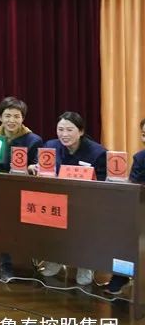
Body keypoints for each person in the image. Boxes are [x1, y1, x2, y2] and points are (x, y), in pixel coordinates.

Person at [30, 111, 106, 285]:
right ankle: (55, 258)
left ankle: (85, 264)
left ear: (81, 131)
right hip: (56, 200)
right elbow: (38, 165)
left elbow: (103, 183)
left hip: (87, 204)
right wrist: (34, 167)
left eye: (69, 130)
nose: (64, 134)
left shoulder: (98, 152)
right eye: (60, 129)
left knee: (83, 224)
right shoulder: (50, 146)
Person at [0, 97, 43, 280]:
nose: (12, 120)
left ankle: (7, 263)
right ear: (0, 117)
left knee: (7, 215)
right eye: (7, 116)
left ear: (23, 118)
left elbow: (38, 166)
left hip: (21, 192)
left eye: (16, 116)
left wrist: (32, 167)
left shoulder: (33, 140)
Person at [104, 117, 145, 295]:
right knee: (123, 230)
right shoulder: (141, 158)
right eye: (144, 134)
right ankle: (122, 276)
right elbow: (134, 187)